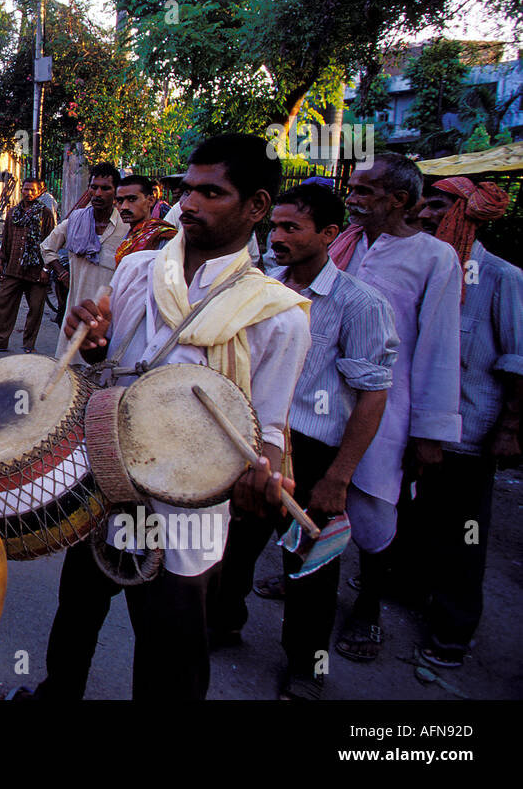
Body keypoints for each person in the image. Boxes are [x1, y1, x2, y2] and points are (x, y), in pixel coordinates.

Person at [18, 134, 311, 701]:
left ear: (256, 206)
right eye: (186, 189)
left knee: (171, 648)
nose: (191, 203)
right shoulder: (138, 271)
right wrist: (96, 343)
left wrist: (265, 474)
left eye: (211, 192)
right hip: (106, 478)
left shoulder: (277, 315)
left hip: (187, 507)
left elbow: (269, 428)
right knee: (77, 611)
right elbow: (109, 360)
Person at [209, 183, 398, 699]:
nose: (278, 236)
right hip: (255, 444)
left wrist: (339, 477)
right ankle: (223, 624)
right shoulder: (264, 286)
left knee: (311, 568)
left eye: (292, 228)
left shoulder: (360, 303)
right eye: (275, 226)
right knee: (231, 548)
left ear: (329, 234)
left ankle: (305, 666)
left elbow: (372, 397)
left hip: (315, 456)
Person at [326, 151, 462, 662]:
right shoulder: (343, 243)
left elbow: (438, 347)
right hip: (321, 398)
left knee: (374, 510)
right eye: (353, 189)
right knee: (314, 493)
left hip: (388, 405)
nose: (352, 199)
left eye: (364, 191)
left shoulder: (434, 258)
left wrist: (430, 433)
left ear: (399, 200)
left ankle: (368, 605)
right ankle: (313, 583)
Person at [413, 177, 520, 668]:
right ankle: (412, 591)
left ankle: (453, 631)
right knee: (418, 517)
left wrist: (510, 429)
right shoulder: (427, 268)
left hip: (468, 432)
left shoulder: (501, 277)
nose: (425, 213)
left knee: (466, 531)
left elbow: (517, 360)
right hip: (416, 424)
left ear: (465, 211)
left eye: (438, 205)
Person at [39, 164, 131, 355]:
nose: (97, 193)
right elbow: (47, 247)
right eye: (93, 187)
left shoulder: (126, 227)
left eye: (105, 188)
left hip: (109, 318)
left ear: (116, 192)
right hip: (76, 312)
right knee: (69, 371)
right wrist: (61, 271)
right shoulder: (75, 221)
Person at [0, 178, 56, 355]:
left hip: (36, 270)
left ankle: (29, 344)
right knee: (3, 302)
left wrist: (47, 268)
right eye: (25, 189)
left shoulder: (45, 213)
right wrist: (1, 261)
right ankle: (0, 340)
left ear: (39, 192)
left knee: (36, 308)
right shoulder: (13, 212)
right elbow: (6, 239)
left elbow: (50, 242)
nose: (28, 193)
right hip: (14, 268)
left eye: (32, 190)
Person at [114, 174, 177, 261]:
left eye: (132, 199)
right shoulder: (129, 237)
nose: (124, 207)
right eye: (120, 201)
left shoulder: (162, 237)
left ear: (150, 201)